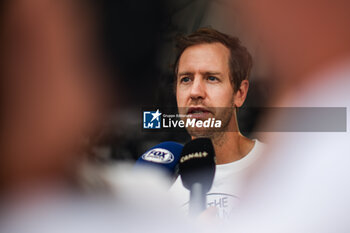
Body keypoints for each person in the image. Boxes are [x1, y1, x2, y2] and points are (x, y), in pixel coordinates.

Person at [169, 28, 265, 219]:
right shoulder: (162, 190)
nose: (195, 92)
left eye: (211, 78)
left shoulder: (280, 166)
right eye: (186, 79)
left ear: (240, 93)